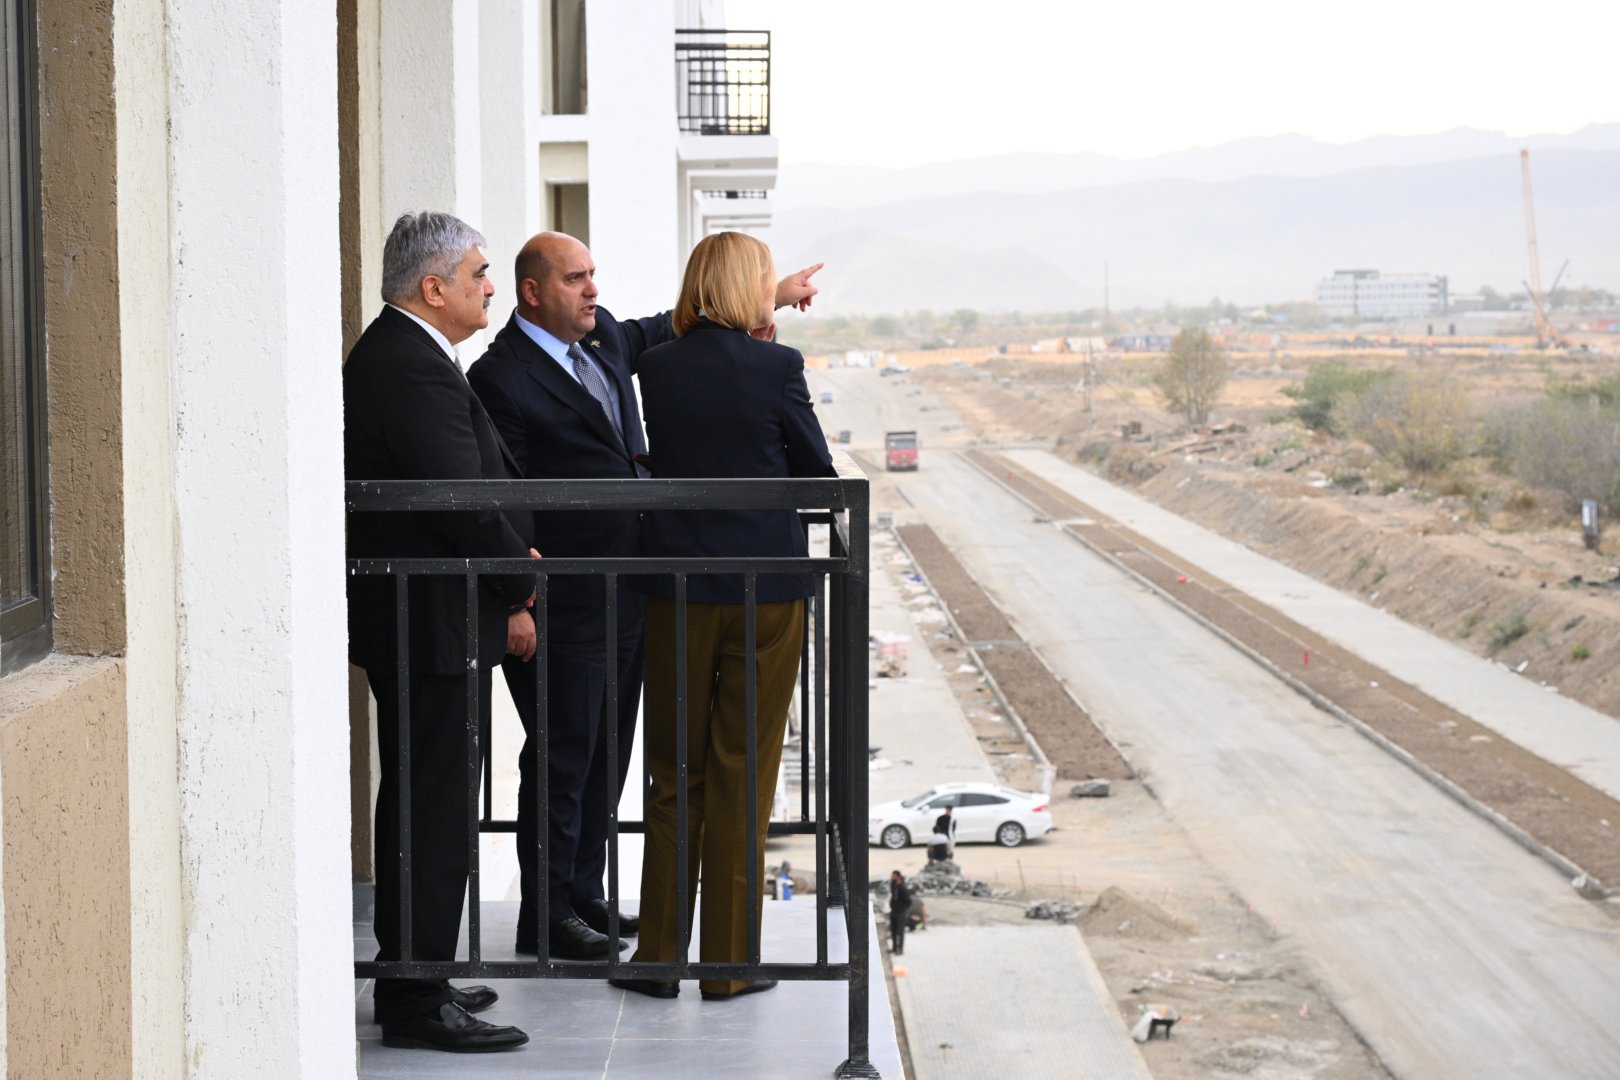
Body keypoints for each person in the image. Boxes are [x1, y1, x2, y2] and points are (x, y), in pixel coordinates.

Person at [466, 232, 823, 961]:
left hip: (634, 585)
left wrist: (770, 296)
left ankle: (582, 891)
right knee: (562, 755)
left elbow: (675, 325)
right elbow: (505, 495)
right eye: (576, 278)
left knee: (610, 753)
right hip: (563, 597)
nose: (593, 290)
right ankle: (546, 913)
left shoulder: (604, 342)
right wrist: (517, 598)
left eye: (593, 275)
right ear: (533, 292)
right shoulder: (501, 376)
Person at [613, 232, 835, 1002]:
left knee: (673, 772)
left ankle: (658, 958)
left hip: (675, 586)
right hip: (764, 590)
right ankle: (730, 966)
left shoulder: (657, 365)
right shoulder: (779, 367)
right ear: (753, 289)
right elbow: (816, 473)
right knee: (743, 770)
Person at [345, 211, 538, 1053]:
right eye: (478, 274)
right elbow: (459, 499)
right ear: (434, 288)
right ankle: (416, 1001)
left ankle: (417, 976)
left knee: (427, 808)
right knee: (432, 814)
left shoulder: (406, 354)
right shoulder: (408, 365)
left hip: (428, 617)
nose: (490, 287)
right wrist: (521, 578)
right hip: (427, 620)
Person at [888, 871, 913, 956]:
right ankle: (894, 948)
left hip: (901, 913)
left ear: (898, 877)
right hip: (893, 911)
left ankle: (900, 949)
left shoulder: (903, 888)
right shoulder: (893, 885)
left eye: (893, 876)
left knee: (900, 931)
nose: (891, 877)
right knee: (893, 930)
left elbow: (909, 901)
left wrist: (903, 909)